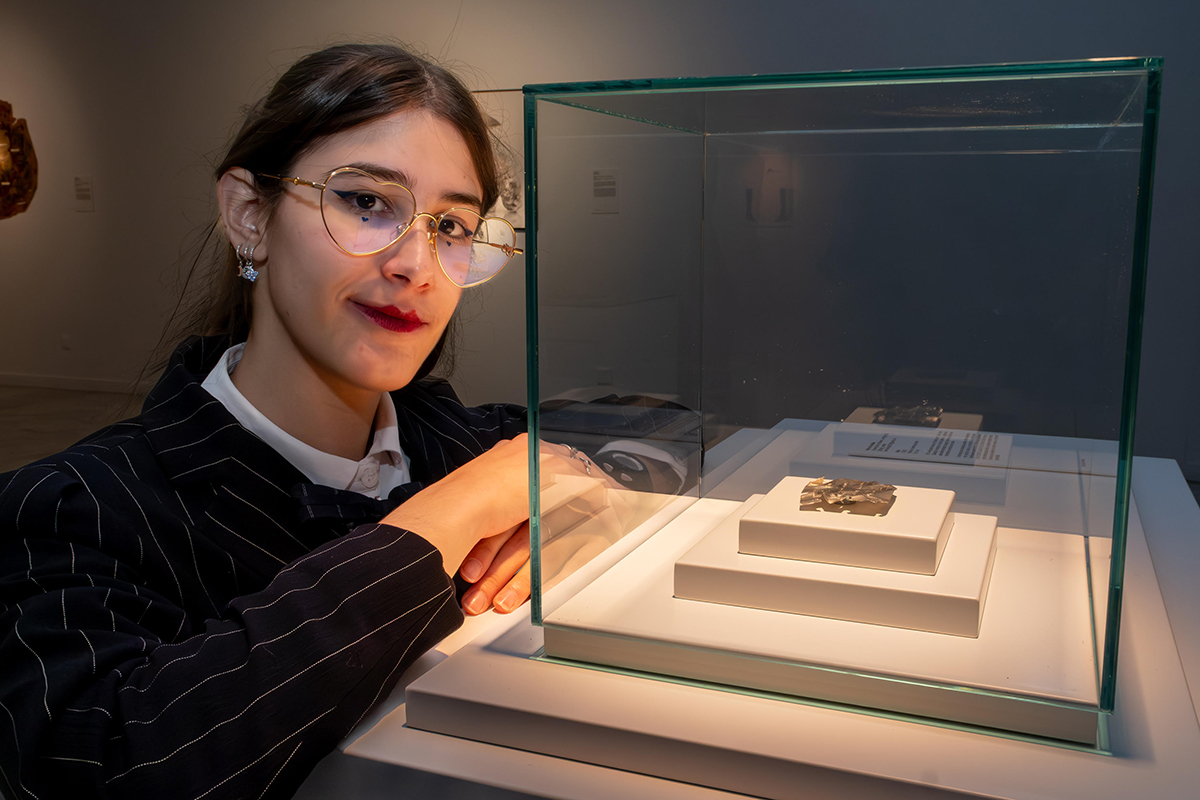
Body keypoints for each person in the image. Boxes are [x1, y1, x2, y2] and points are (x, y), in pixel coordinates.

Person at [0, 43, 586, 800]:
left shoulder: (461, 438)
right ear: (249, 216)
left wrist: (576, 510)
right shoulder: (74, 510)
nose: (417, 264)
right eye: (367, 202)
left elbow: (656, 438)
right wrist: (436, 528)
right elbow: (104, 765)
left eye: (452, 227)